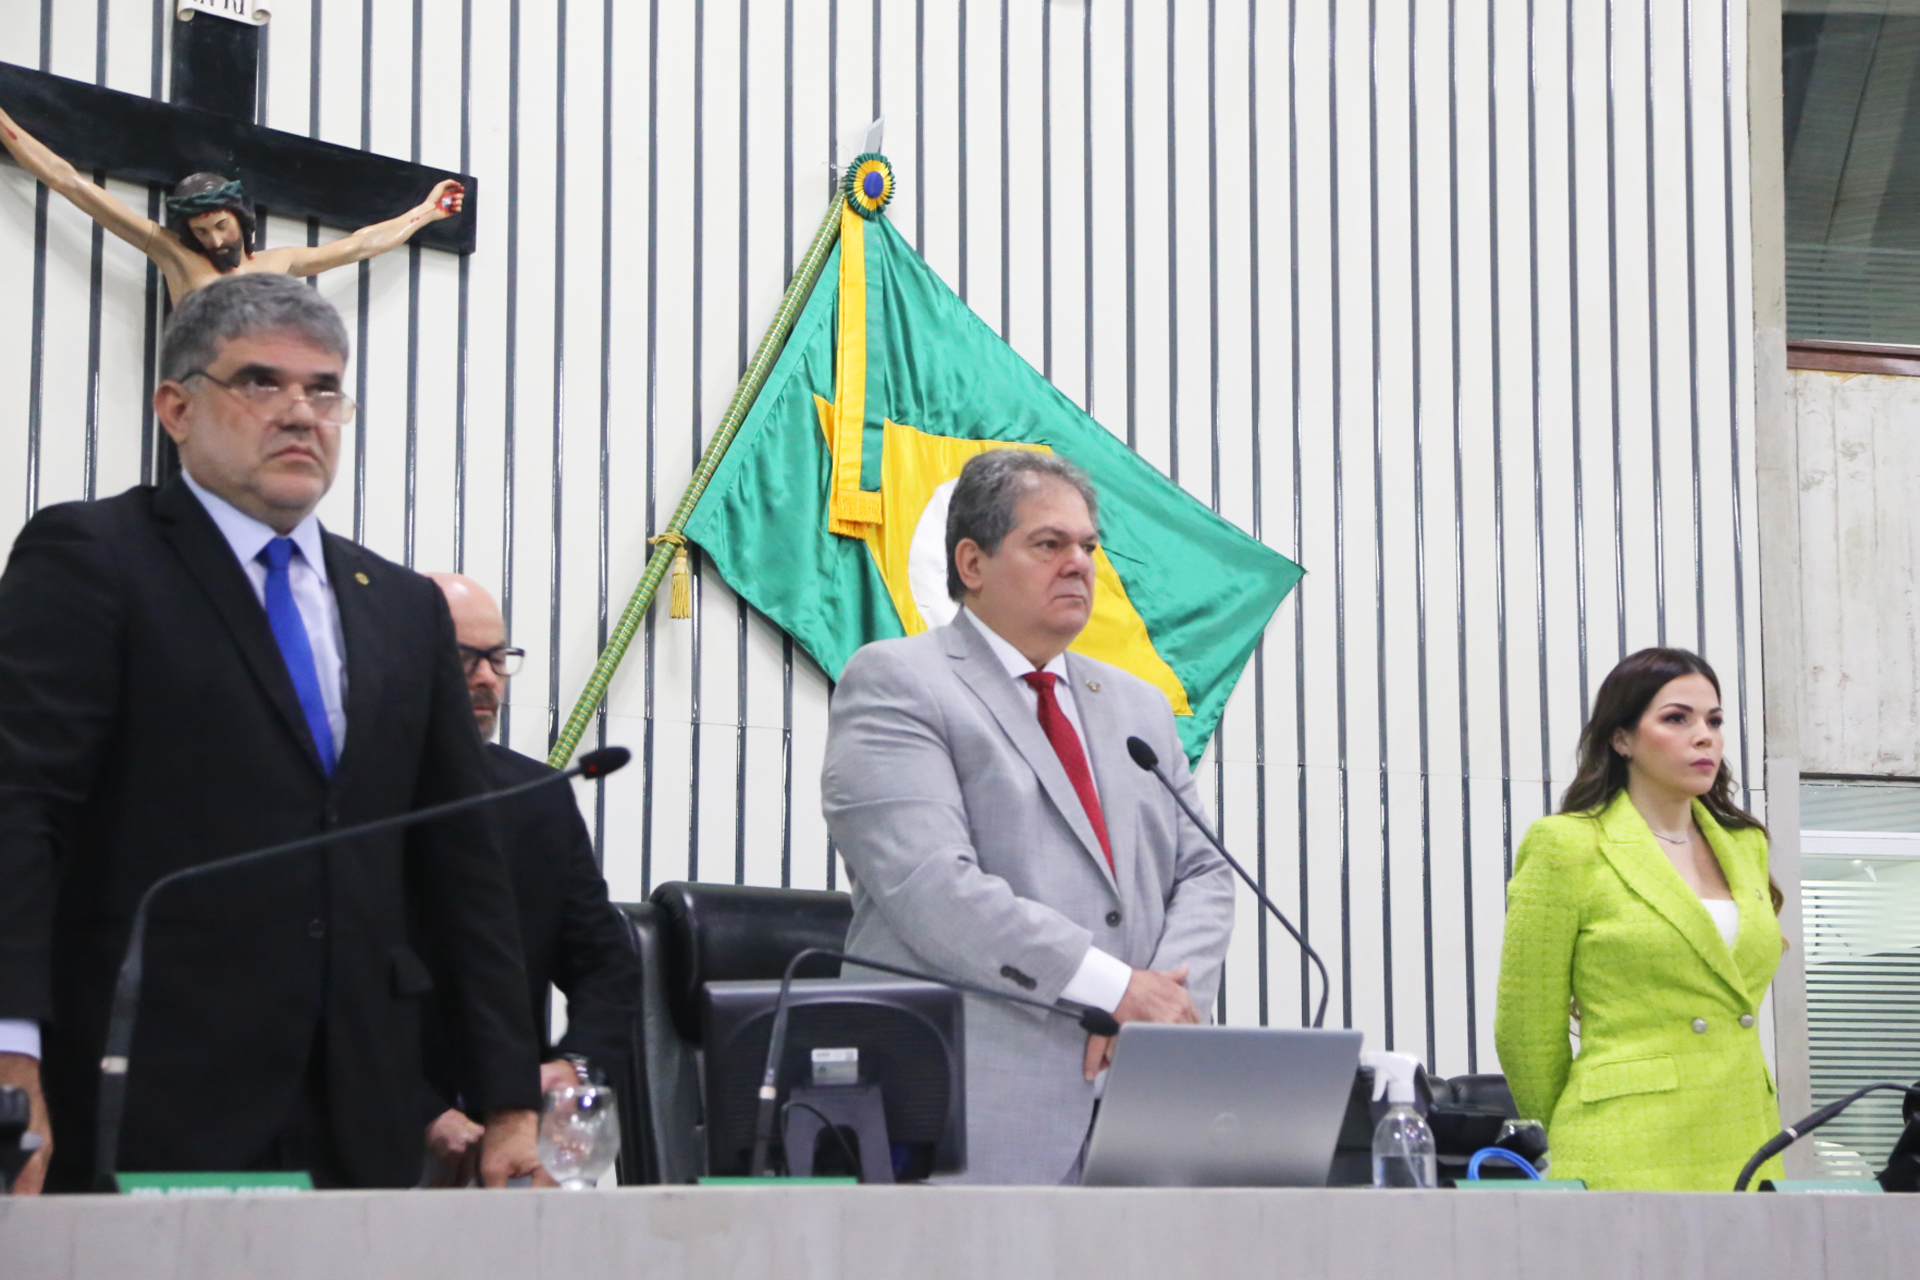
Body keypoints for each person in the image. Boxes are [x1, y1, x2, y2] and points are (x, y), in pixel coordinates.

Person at [0, 274, 544, 1193]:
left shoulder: (403, 608)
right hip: (148, 1086)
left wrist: (508, 1102)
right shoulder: (95, 558)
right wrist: (13, 1058)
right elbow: (20, 813)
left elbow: (463, 867)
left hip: (362, 1100)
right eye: (261, 383)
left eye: (324, 389)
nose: (301, 413)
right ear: (177, 406)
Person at [821, 449, 1236, 1185]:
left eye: (1088, 547)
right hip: (968, 1111)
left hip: (1140, 1103)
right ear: (972, 563)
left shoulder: (1137, 705)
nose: (1078, 564)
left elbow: (1203, 870)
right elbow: (931, 886)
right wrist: (1115, 989)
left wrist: (1161, 1008)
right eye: (1049, 544)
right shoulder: (898, 682)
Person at [1495, 647, 1787, 1191]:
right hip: (1624, 1140)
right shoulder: (1567, 844)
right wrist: (1565, 1133)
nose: (1705, 736)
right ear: (1621, 737)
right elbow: (1525, 1028)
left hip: (1745, 1130)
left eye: (1714, 721)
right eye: (1676, 718)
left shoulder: (1745, 847)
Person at [418, 574, 639, 1185]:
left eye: (499, 658)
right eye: (465, 657)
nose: (487, 677)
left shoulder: (536, 796)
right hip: (377, 1127)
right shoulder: (353, 800)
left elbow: (605, 963)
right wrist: (418, 1110)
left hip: (515, 1135)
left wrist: (575, 1067)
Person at [0, 102, 462, 303]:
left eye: (220, 226)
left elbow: (360, 246)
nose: (214, 240)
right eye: (201, 232)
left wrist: (426, 212)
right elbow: (71, 183)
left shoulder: (280, 262)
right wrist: (6, 127)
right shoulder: (175, 255)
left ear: (240, 219)